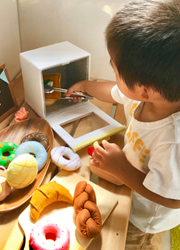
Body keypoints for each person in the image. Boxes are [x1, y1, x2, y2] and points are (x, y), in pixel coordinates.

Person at [65, 0, 180, 249]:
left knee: (132, 243)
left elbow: (173, 198)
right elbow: (114, 91)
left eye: (114, 69)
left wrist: (122, 170)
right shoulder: (146, 95)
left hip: (145, 217)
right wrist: (86, 86)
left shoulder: (172, 140)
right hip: (130, 182)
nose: (113, 74)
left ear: (144, 90)